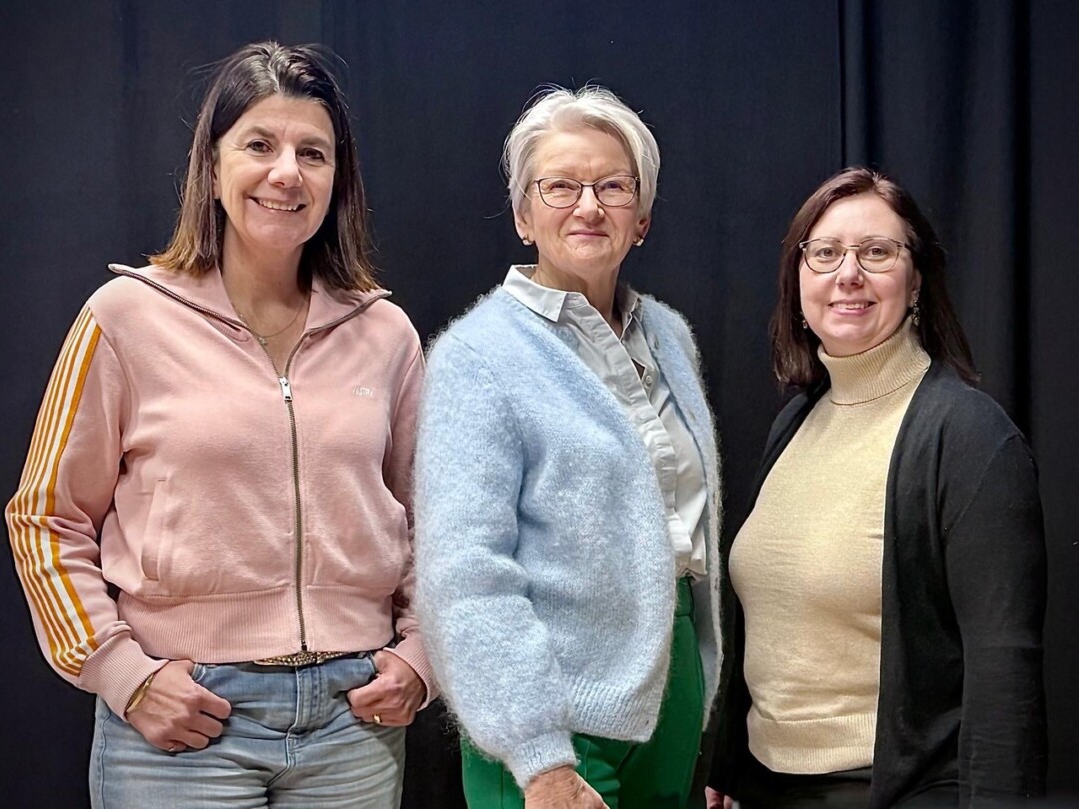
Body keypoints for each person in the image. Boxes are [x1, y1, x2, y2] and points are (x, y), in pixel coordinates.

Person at [5, 41, 431, 808]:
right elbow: (44, 516)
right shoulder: (123, 319)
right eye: (259, 145)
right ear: (212, 164)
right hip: (184, 721)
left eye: (313, 153)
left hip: (353, 723)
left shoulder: (387, 335)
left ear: (338, 180)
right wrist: (123, 674)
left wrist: (422, 656)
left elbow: (437, 523)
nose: (287, 172)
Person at [413, 85, 722, 809]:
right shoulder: (476, 356)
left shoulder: (669, 337)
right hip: (548, 716)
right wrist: (537, 754)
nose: (588, 206)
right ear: (524, 215)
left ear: (642, 218)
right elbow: (465, 574)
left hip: (670, 690)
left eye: (613, 186)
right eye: (559, 186)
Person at [706, 167, 1047, 808]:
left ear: (915, 281)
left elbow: (1005, 669)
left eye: (877, 252)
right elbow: (771, 623)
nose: (848, 274)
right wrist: (726, 764)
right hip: (767, 786)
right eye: (825, 253)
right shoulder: (797, 421)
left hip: (893, 793)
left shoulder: (968, 436)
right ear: (798, 279)